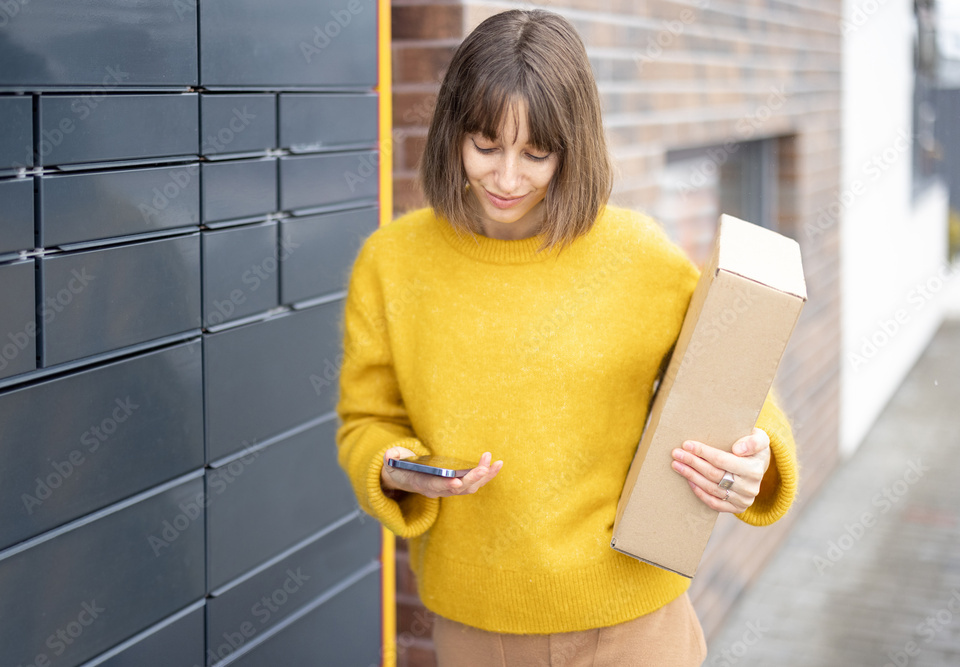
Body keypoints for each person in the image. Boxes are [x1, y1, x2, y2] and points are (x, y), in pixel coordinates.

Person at [335, 9, 798, 666]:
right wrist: (396, 466)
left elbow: (735, 379)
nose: (507, 177)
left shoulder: (638, 255)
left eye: (536, 153)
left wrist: (759, 458)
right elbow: (366, 421)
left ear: (572, 145)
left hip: (636, 624)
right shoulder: (390, 264)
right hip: (475, 627)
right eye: (486, 146)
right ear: (451, 135)